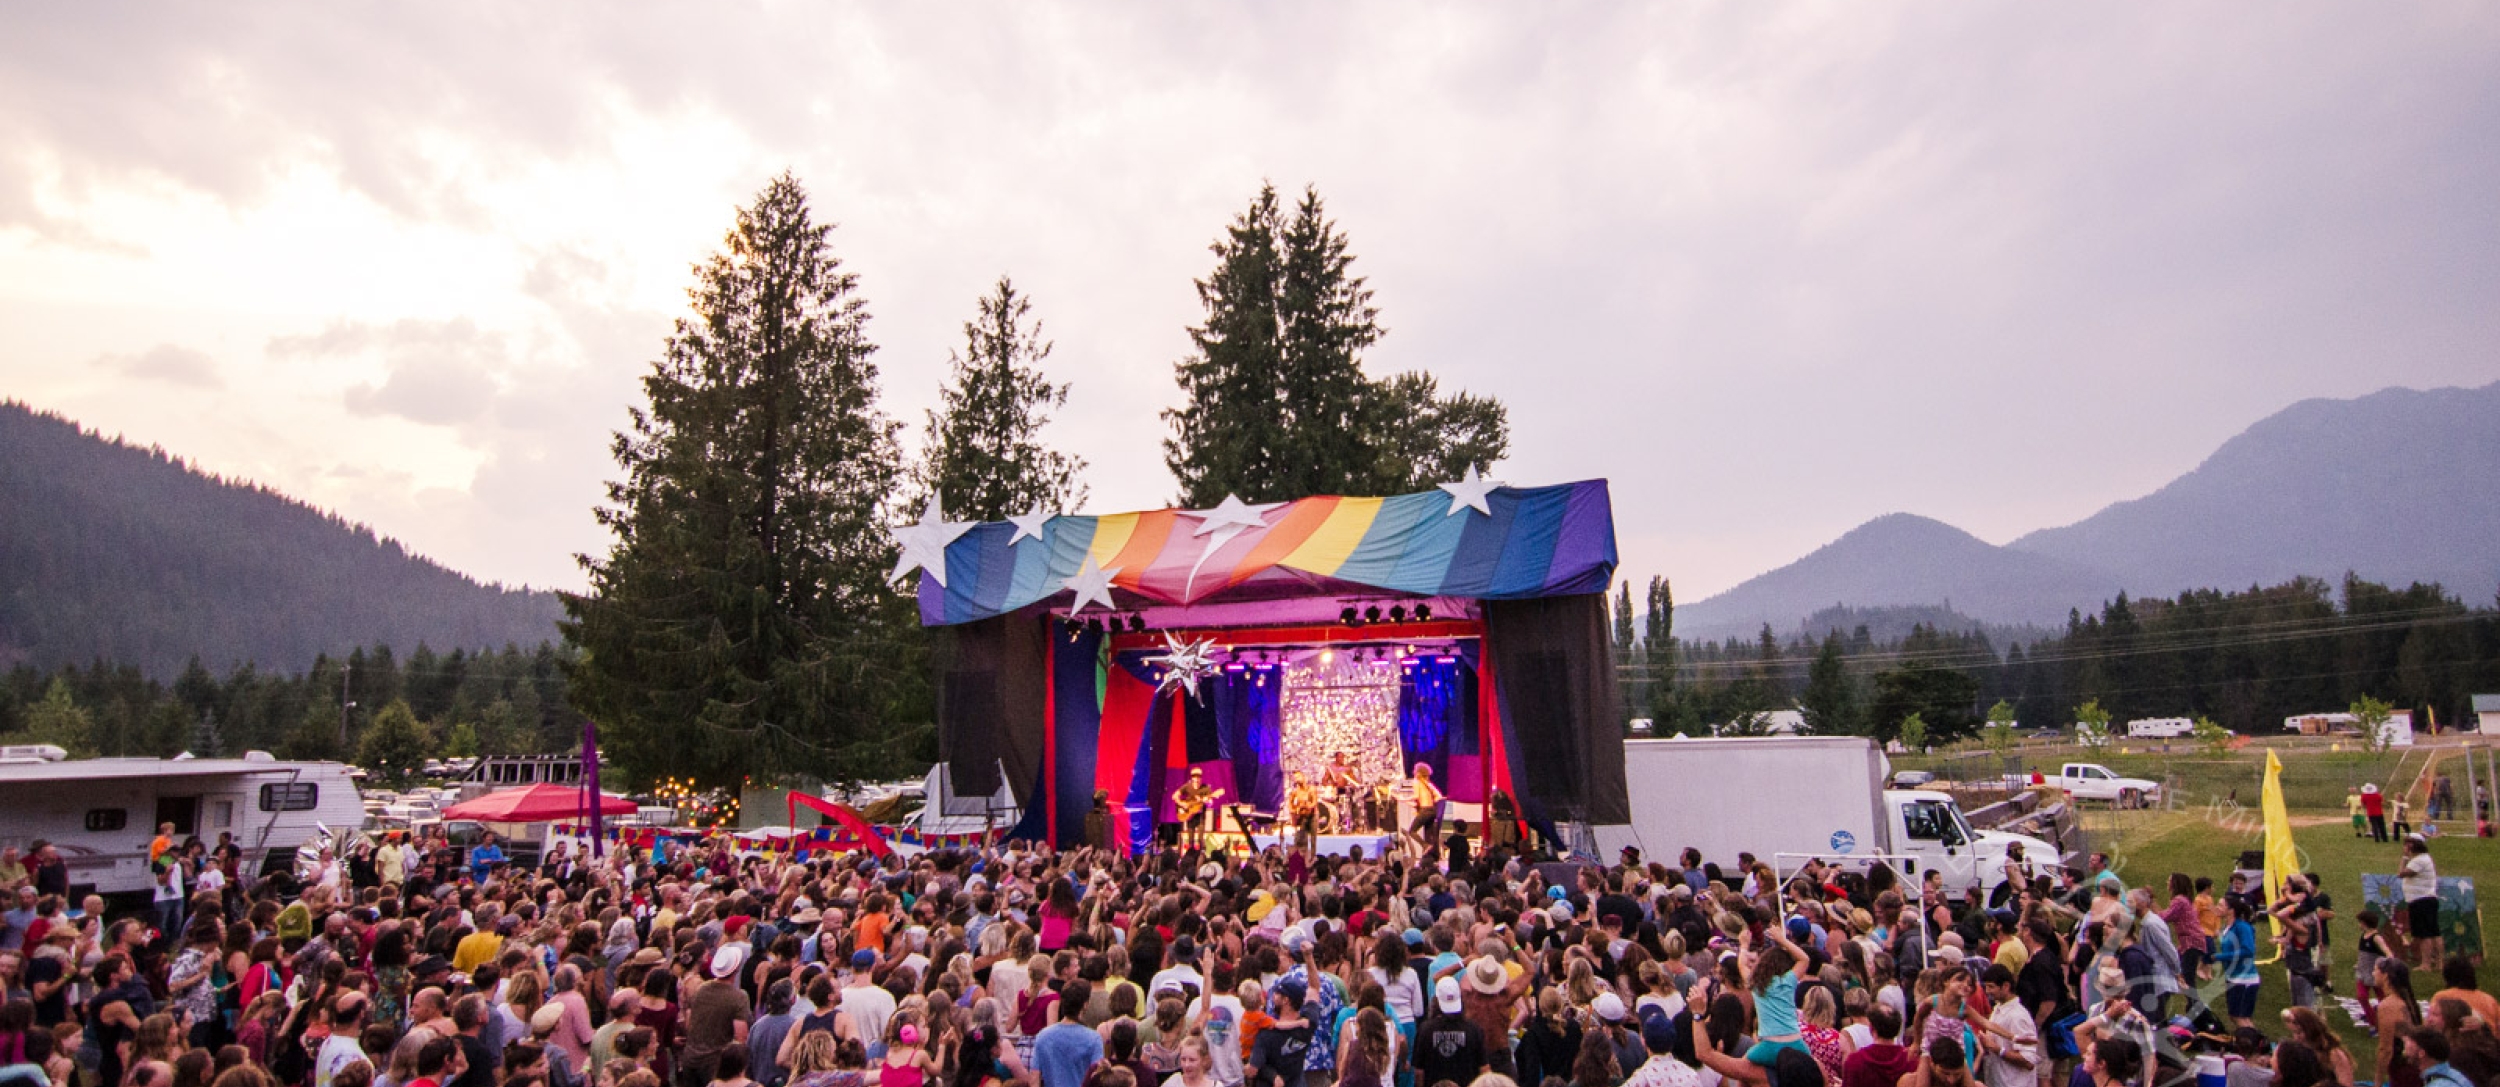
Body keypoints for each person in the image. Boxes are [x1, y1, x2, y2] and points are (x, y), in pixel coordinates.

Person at [1412, 978, 1484, 1087]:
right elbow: (1484, 1068)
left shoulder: (1425, 1029)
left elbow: (1419, 1072)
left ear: (1436, 1001)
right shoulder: (1473, 1029)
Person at [1031, 980, 1102, 1087]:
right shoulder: (1093, 1038)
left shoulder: (1043, 1036)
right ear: (1085, 1005)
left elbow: (1034, 1077)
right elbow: (1097, 1077)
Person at [2400, 837, 2441, 970]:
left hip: (2420, 900)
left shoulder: (2419, 861)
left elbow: (2401, 873)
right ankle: (2440, 963)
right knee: (2434, 932)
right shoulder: (2426, 858)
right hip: (2428, 899)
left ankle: (2426, 964)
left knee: (2425, 934)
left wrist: (2404, 857)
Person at [1173, 770, 1223, 851]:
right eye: (1194, 777)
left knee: (1200, 838)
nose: (1196, 779)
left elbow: (1210, 803)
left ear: (1201, 778)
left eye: (1198, 777)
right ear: (1192, 778)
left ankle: (1201, 855)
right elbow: (1174, 796)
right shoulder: (1187, 786)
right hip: (1190, 816)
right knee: (1190, 839)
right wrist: (1182, 804)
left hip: (1201, 816)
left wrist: (1207, 801)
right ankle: (1191, 856)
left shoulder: (1206, 788)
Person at [1285, 773, 1322, 854]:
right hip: (1303, 816)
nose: (1296, 779)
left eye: (1298, 777)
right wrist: (1293, 810)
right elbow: (1290, 802)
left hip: (1313, 815)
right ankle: (1302, 857)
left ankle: (1312, 856)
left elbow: (1314, 802)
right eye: (1295, 778)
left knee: (1313, 839)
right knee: (1302, 838)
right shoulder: (1296, 791)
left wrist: (1307, 806)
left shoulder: (1311, 789)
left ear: (1303, 777)